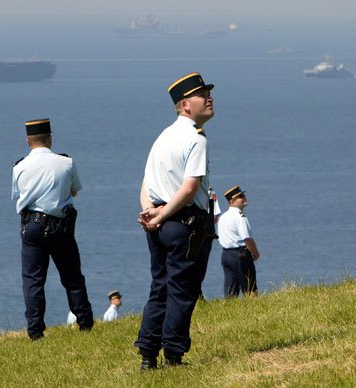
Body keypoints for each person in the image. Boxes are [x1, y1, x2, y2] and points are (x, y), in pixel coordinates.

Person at [135, 72, 216, 369]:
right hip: (184, 224)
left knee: (160, 287)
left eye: (208, 92)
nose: (209, 98)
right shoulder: (195, 138)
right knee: (182, 291)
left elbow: (146, 182)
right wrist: (164, 213)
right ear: (185, 104)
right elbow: (190, 187)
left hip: (158, 222)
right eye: (202, 94)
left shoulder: (164, 136)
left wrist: (150, 212)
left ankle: (147, 354)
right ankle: (173, 354)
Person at [12, 118, 94, 340]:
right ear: (50, 138)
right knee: (71, 275)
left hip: (30, 226)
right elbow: (75, 190)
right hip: (59, 226)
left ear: (28, 141)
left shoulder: (19, 167)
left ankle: (35, 330)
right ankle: (85, 321)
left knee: (33, 279)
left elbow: (17, 196)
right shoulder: (66, 163)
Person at [217, 185, 261, 297]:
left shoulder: (223, 217)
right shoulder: (240, 216)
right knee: (250, 290)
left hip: (226, 255)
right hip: (240, 255)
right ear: (232, 201)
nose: (244, 197)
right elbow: (247, 239)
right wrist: (255, 253)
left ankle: (229, 312)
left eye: (243, 195)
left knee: (230, 292)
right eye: (240, 196)